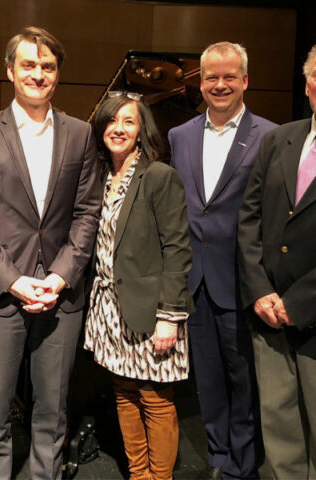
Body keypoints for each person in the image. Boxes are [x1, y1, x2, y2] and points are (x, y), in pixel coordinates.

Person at [0, 26, 101, 480]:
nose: (39, 74)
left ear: (58, 74)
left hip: (61, 296)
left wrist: (58, 278)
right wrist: (14, 279)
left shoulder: (80, 134)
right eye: (29, 65)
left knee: (53, 408)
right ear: (10, 71)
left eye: (48, 67)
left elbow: (86, 215)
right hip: (1, 293)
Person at [168, 41, 277, 480]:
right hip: (195, 280)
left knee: (244, 382)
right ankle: (218, 459)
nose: (220, 84)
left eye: (229, 76)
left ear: (245, 80)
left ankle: (244, 466)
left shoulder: (270, 136)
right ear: (201, 81)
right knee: (208, 380)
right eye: (211, 76)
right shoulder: (180, 136)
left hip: (241, 281)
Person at [84, 92, 192, 480]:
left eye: (129, 121)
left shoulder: (158, 176)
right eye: (112, 121)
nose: (119, 128)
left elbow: (177, 249)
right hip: (110, 309)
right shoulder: (100, 178)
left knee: (155, 399)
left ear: (141, 130)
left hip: (150, 309)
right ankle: (139, 473)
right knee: (124, 393)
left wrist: (169, 315)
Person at [238, 44, 316, 480]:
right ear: (308, 84)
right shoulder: (277, 140)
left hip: (311, 314)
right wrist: (261, 290)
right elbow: (248, 221)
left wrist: (297, 302)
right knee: (278, 425)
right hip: (267, 313)